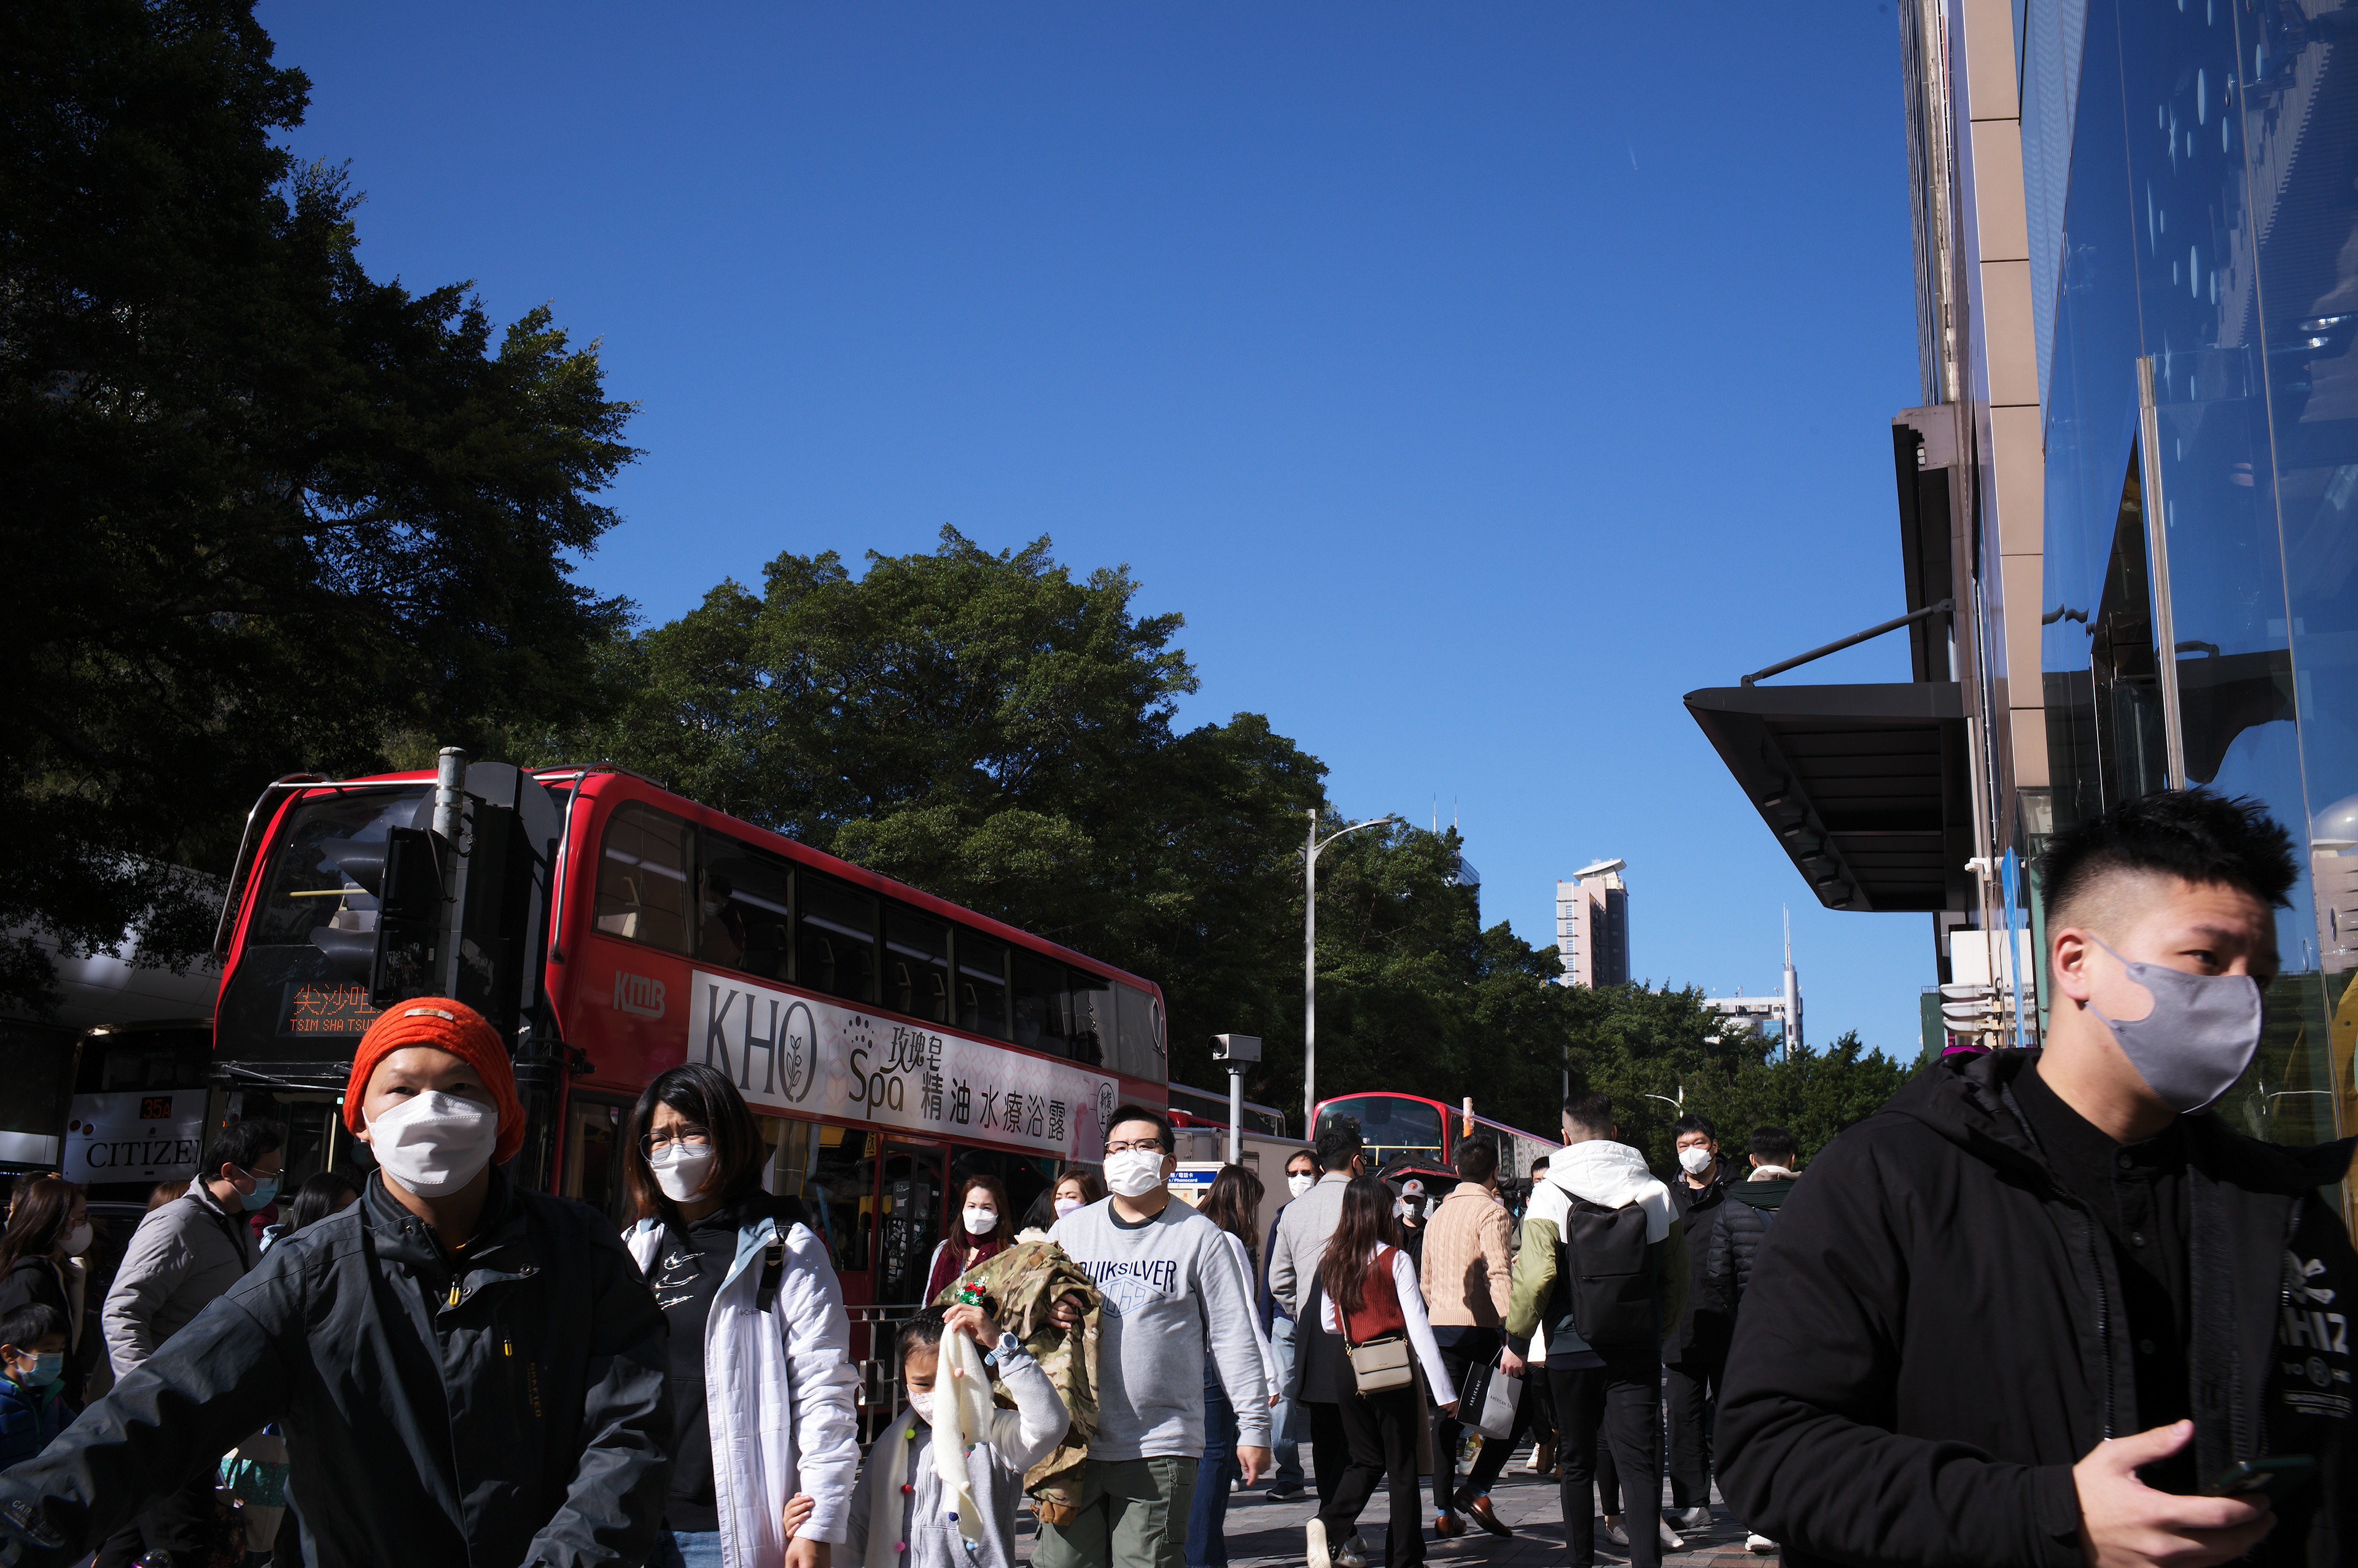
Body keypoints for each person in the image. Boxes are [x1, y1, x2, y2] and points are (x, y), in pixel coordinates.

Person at [1718, 789, 2358, 1568]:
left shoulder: (2278, 1204)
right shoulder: (1891, 1175)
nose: (2242, 1001)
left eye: (2258, 973)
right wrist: (2052, 1515)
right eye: (2206, 960)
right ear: (2076, 960)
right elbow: (1771, 1450)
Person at [0, 996, 674, 1567]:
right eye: (403, 1089)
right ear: (362, 1120)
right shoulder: (305, 1274)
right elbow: (159, 1414)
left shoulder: (577, 1248)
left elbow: (630, 1433)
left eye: (462, 1086)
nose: (431, 1108)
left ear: (501, 1112)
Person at [622, 1062, 859, 1568]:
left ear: (728, 1137)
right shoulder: (637, 1248)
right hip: (633, 1522)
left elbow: (824, 1389)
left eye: (692, 1132)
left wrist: (817, 1525)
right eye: (659, 1138)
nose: (674, 1149)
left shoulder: (787, 1247)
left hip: (723, 1531)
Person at [1038, 1104, 1270, 1568]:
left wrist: (1255, 1425)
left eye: (1145, 1147)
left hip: (1160, 1445)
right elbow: (1032, 1318)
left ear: (1170, 1163)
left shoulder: (1200, 1237)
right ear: (1104, 1163)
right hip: (1072, 1444)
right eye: (1119, 1148)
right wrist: (1049, 1308)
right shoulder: (1068, 1233)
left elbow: (1232, 1335)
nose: (1130, 1157)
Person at [93, 1115, 283, 1567]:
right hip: (167, 1416)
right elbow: (123, 1311)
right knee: (184, 1541)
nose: (275, 1184)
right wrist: (147, 1394)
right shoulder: (178, 1223)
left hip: (198, 1413)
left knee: (131, 1537)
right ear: (231, 1172)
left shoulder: (234, 1225)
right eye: (268, 1175)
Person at [1506, 1092, 1686, 1568]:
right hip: (1636, 1351)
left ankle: (1581, 1561)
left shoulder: (1549, 1194)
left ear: (1564, 1136)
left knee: (1579, 1464)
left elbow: (1537, 1276)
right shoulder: (1654, 1192)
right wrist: (1657, 1332)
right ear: (1616, 1132)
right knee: (1639, 1466)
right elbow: (1676, 1277)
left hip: (1570, 1349)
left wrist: (1517, 1340)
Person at [846, 1302, 1068, 1568]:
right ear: (905, 1382)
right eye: (922, 1384)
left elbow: (1049, 1425)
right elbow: (857, 1526)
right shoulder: (891, 1446)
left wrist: (1003, 1347)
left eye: (952, 1381)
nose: (940, 1395)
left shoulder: (994, 1436)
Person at [1307, 1175, 1455, 1568]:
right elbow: (1419, 1330)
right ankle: (1404, 1559)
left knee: (1364, 1459)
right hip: (1391, 1366)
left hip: (1348, 1364)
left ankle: (1330, 1521)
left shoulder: (1333, 1260)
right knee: (1402, 1467)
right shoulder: (1396, 1259)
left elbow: (1327, 1322)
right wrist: (1444, 1392)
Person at [1268, 1120, 1369, 1556]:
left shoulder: (1294, 1211)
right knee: (1365, 1443)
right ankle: (1336, 1526)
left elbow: (1278, 1279)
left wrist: (1303, 1313)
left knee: (1328, 1437)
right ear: (1357, 1159)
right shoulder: (1368, 1200)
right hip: (1364, 1332)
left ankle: (1337, 1526)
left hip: (1314, 1333)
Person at [1701, 1125, 1799, 1557]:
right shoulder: (1817, 1197)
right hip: (1812, 1335)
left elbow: (1717, 1275)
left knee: (1761, 1428)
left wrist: (1739, 1318)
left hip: (1755, 1335)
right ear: (1793, 1159)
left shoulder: (1734, 1205)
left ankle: (1761, 1524)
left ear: (1754, 1160)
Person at [1419, 1136, 1516, 1540]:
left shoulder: (1437, 1215)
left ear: (1457, 1171)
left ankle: (1442, 1512)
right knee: (1515, 1408)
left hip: (1439, 1327)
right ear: (1494, 1172)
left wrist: (1440, 1308)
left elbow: (1424, 1280)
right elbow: (1499, 1273)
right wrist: (1514, 1333)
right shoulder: (1491, 1212)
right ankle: (1477, 1489)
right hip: (1480, 1329)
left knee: (1447, 1418)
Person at [1186, 1165, 1280, 1568]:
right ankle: (1202, 1557)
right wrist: (1269, 1373)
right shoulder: (1228, 1242)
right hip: (1214, 1365)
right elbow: (1243, 1314)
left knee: (1198, 1464)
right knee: (1215, 1463)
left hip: (1184, 1360)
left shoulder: (1191, 1232)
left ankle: (1209, 1557)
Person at [1659, 1111, 1730, 1535]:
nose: (1692, 1153)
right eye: (1683, 1146)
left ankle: (1748, 1500)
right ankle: (1692, 1504)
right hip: (1679, 1326)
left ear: (1715, 1146)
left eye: (1699, 1144)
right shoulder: (1665, 1197)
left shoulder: (1739, 1193)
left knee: (1733, 1417)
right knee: (1683, 1421)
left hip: (1730, 1325)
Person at [1259, 1148, 1318, 1502]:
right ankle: (1290, 1473)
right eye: (1292, 1173)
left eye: (1305, 1172)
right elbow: (1271, 1276)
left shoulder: (1336, 1213)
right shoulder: (1282, 1218)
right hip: (1286, 1321)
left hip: (1326, 1322)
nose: (1299, 1179)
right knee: (1281, 1399)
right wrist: (1266, 1328)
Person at [0, 1179, 91, 1402]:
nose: (86, 1226)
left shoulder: (58, 1273)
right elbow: (19, 1361)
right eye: (80, 1218)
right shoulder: (29, 1280)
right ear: (56, 1221)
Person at [0, 1305, 70, 1471]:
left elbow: (80, 1432)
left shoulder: (52, 1396)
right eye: (48, 1350)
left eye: (60, 1350)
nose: (56, 1358)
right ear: (11, 1354)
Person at [925, 1174, 1014, 1302]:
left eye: (987, 1208)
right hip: (940, 1321)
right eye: (972, 1206)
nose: (978, 1213)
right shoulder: (944, 1250)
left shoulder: (1009, 1255)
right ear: (963, 1209)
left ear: (998, 1213)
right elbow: (927, 1303)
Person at [258, 1171, 361, 1254]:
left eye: (355, 1212)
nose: (352, 1219)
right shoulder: (280, 1254)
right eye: (343, 1212)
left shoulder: (351, 1251)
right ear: (316, 1211)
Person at [1392, 1181, 1428, 1271]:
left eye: (1418, 1201)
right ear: (1401, 1201)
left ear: (1425, 1202)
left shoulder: (1430, 1230)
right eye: (1408, 1200)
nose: (1413, 1205)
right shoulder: (1391, 1229)